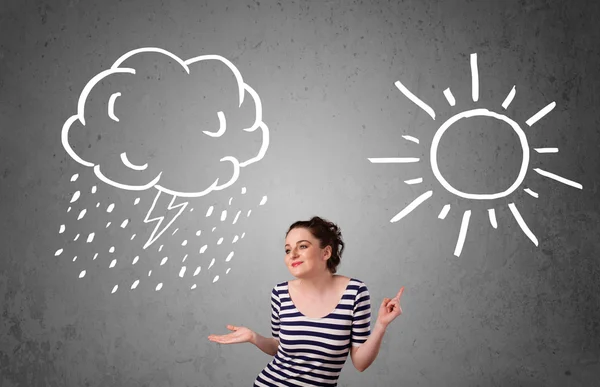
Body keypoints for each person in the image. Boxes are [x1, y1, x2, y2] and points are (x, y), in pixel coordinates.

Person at [208, 216, 404, 386]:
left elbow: (360, 363)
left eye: (302, 246)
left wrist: (381, 325)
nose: (292, 254)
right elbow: (279, 347)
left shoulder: (355, 292)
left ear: (325, 253)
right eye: (287, 249)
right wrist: (253, 337)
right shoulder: (280, 293)